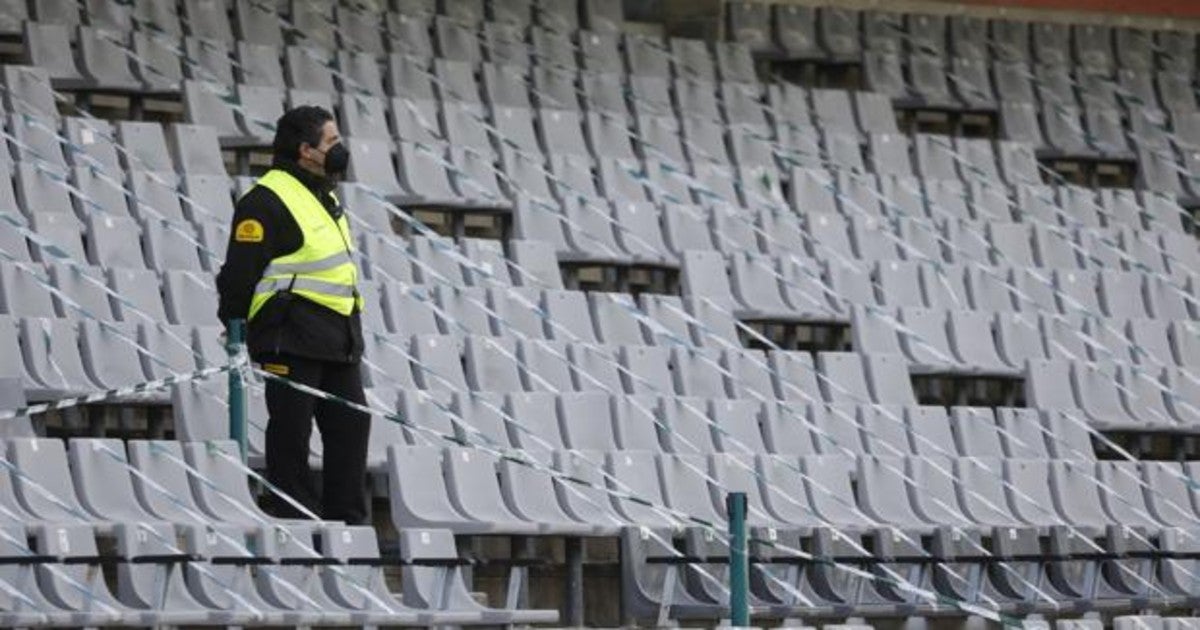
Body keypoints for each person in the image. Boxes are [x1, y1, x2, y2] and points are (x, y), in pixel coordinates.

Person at [216, 106, 371, 525]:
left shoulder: (326, 195)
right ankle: (297, 526)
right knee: (291, 437)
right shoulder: (265, 201)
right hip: (290, 338)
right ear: (306, 150)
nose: (340, 149)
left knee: (351, 430)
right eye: (332, 142)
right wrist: (238, 331)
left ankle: (348, 530)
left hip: (338, 339)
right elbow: (237, 278)